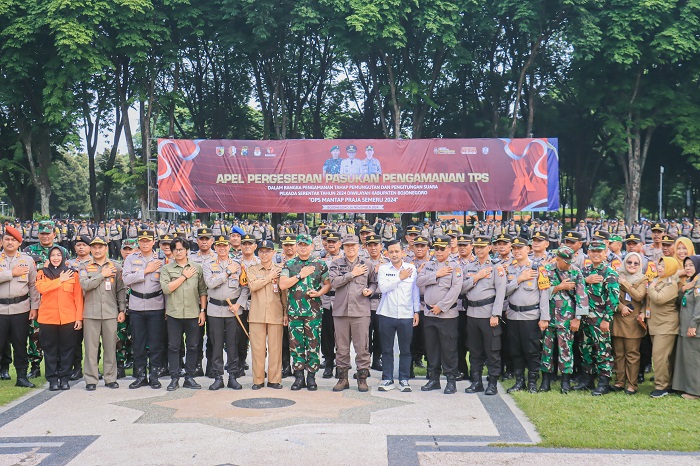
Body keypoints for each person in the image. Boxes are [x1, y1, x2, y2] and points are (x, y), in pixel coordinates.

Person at [279, 234, 331, 391]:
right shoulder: (290, 264)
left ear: (312, 247)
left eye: (306, 244)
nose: (303, 247)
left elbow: (327, 284)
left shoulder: (319, 264)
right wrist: (300, 274)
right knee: (295, 345)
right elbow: (283, 285)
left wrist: (320, 293)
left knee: (313, 345)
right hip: (294, 312)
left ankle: (311, 377)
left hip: (313, 312)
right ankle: (299, 376)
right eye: (300, 244)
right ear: (296, 246)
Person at [328, 234, 378, 392]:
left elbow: (374, 282)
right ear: (343, 247)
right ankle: (343, 379)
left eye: (353, 245)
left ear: (359, 247)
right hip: (341, 311)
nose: (350, 248)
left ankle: (362, 379)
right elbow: (334, 283)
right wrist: (352, 274)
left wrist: (370, 290)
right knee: (341, 348)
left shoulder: (367, 264)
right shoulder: (336, 264)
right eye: (347, 245)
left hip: (360, 311)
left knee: (362, 347)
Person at [78, 236, 127, 391]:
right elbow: (85, 285)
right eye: (94, 247)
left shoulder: (116, 266)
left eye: (100, 247)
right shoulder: (84, 266)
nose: (97, 250)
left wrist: (122, 310)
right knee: (91, 348)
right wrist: (102, 275)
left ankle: (110, 377)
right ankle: (91, 379)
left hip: (110, 312)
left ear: (106, 248)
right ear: (90, 249)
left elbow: (121, 289)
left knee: (110, 346)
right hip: (91, 313)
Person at [539, 246, 588, 393]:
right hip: (549, 317)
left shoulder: (575, 271)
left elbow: (582, 296)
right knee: (546, 350)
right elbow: (541, 293)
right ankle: (546, 380)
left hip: (567, 318)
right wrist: (559, 287)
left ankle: (565, 381)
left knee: (565, 349)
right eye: (564, 262)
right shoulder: (546, 270)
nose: (567, 265)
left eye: (569, 262)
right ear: (557, 259)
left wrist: (577, 319)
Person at [461, 236, 507, 395]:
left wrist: (496, 314)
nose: (479, 250)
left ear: (489, 248)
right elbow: (462, 288)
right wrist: (477, 277)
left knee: (492, 350)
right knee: (474, 350)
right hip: (472, 314)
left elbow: (501, 293)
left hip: (488, 314)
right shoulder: (469, 267)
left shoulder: (497, 267)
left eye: (483, 247)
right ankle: (476, 382)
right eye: (477, 247)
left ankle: (492, 383)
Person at [160, 237, 207, 391]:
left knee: (193, 346)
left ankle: (189, 377)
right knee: (174, 347)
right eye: (175, 250)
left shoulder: (197, 268)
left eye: (181, 249)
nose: (178, 252)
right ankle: (174, 378)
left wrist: (202, 311)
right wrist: (183, 276)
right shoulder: (167, 269)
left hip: (193, 313)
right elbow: (167, 289)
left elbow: (202, 291)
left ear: (187, 250)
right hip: (174, 314)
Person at [417, 236, 463, 394]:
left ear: (449, 249)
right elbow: (419, 281)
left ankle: (451, 381)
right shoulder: (429, 265)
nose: (439, 251)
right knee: (432, 348)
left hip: (446, 316)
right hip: (429, 313)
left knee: (448, 349)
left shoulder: (455, 267)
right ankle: (434, 379)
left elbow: (455, 290)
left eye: (442, 248)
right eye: (436, 248)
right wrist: (436, 274)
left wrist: (441, 307)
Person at [202, 236, 249, 390]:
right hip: (215, 310)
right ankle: (218, 376)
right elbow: (210, 283)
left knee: (233, 344)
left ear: (229, 247)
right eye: (219, 246)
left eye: (225, 246)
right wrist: (227, 273)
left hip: (233, 310)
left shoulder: (238, 264)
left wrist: (239, 304)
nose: (222, 249)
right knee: (216, 344)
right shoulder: (208, 264)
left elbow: (245, 288)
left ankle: (233, 376)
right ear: (215, 248)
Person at [504, 237, 549, 393]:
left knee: (532, 350)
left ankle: (532, 382)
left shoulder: (539, 268)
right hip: (513, 315)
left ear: (528, 249)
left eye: (520, 248)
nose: (516, 251)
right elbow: (503, 291)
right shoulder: (510, 268)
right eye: (514, 248)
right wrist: (519, 279)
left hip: (530, 316)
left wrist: (544, 317)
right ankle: (519, 382)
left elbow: (544, 294)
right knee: (515, 350)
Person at [35, 246, 84, 391]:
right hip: (48, 318)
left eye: (58, 255)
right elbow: (41, 288)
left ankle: (64, 379)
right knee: (50, 350)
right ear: (48, 258)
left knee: (67, 350)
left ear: (63, 257)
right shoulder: (42, 273)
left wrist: (78, 318)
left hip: (68, 318)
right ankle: (52, 380)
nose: (56, 258)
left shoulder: (72, 274)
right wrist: (60, 280)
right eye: (53, 255)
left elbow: (78, 298)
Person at [574, 240, 619, 396]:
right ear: (589, 253)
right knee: (585, 348)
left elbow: (613, 298)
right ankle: (587, 379)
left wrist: (607, 318)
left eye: (599, 251)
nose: (596, 254)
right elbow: (576, 289)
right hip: (585, 318)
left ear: (605, 253)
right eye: (593, 251)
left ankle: (604, 382)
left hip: (600, 320)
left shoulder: (609, 273)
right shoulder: (584, 271)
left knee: (602, 351)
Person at [122, 230, 165, 389]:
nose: (145, 243)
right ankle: (140, 375)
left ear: (154, 241)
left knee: (155, 343)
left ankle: (154, 375)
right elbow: (126, 279)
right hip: (137, 305)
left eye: (148, 240)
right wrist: (146, 270)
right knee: (138, 343)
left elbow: (165, 284)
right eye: (142, 241)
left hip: (156, 304)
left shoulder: (161, 260)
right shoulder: (131, 259)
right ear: (138, 242)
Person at [376, 239, 420, 392]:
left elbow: (415, 292)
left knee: (405, 349)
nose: (394, 254)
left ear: (403, 252)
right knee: (387, 349)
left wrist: (416, 311)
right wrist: (399, 277)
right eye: (391, 252)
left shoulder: (411, 268)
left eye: (397, 251)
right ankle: (387, 378)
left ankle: (404, 379)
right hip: (386, 314)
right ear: (386, 253)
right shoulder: (383, 269)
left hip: (406, 314)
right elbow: (383, 287)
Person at [0, 226, 40, 388]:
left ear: (19, 243)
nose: (10, 242)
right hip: (0, 309)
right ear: (2, 241)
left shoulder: (27, 260)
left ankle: (22, 377)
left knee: (20, 344)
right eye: (7, 239)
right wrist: (11, 273)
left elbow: (33, 286)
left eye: (13, 240)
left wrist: (34, 307)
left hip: (21, 308)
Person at [247, 240, 287, 389]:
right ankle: (257, 380)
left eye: (268, 251)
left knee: (275, 348)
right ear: (258, 252)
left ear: (273, 253)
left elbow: (284, 294)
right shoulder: (252, 269)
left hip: (275, 313)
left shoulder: (280, 269)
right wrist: (269, 277)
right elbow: (253, 286)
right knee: (257, 349)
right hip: (257, 314)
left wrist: (285, 313)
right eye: (262, 251)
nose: (264, 254)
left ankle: (274, 379)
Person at [612, 252, 648, 395]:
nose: (632, 265)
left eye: (636, 263)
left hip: (633, 321)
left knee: (632, 354)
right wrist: (621, 307)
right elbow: (612, 295)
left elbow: (639, 296)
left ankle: (632, 385)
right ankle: (620, 382)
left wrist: (625, 283)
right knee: (619, 353)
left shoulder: (642, 279)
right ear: (624, 263)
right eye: (629, 262)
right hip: (619, 318)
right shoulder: (617, 276)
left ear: (640, 265)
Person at [646, 256, 680, 398]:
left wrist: (651, 288)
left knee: (659, 357)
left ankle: (661, 386)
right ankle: (668, 384)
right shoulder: (659, 280)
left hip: (666, 325)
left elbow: (659, 299)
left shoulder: (671, 283)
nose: (660, 268)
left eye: (663, 266)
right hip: (655, 324)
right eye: (659, 265)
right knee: (663, 357)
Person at [673, 255, 700, 399]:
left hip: (693, 328)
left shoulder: (699, 282)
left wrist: (693, 325)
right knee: (687, 358)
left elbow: (699, 306)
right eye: (686, 265)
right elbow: (678, 300)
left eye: (691, 265)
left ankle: (695, 391)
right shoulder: (690, 282)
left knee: (693, 360)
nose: (688, 268)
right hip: (685, 326)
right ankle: (685, 386)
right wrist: (683, 288)